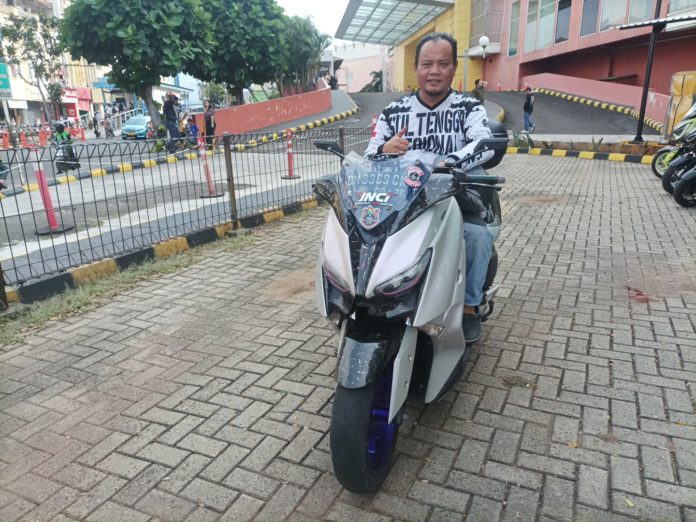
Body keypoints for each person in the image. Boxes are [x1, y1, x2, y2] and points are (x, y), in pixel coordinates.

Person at [365, 31, 495, 343]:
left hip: (454, 194)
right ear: (416, 68)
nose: (434, 71)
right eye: (427, 64)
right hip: (403, 198)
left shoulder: (468, 107)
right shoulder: (395, 111)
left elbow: (484, 143)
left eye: (443, 64)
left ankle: (470, 305)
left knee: (477, 236)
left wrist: (448, 162)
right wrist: (385, 150)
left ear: (454, 67)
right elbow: (370, 154)